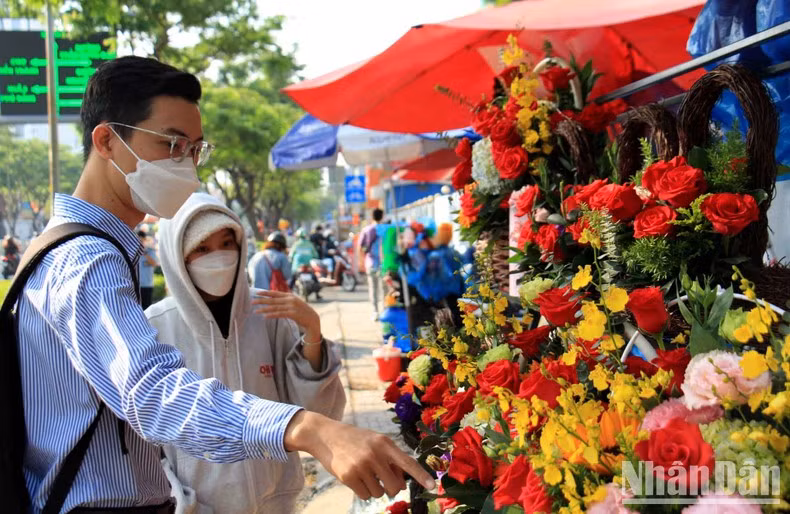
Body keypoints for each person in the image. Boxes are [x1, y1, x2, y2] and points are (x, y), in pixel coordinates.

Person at [14, 56, 433, 513]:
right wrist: (305, 428)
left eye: (194, 149)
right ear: (107, 141)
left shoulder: (84, 250)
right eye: (172, 144)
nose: (187, 166)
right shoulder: (86, 259)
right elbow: (152, 393)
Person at [146, 193, 344, 512]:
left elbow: (321, 413)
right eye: (202, 249)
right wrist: (181, 502)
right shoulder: (155, 328)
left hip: (277, 502)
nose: (220, 257)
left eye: (227, 243)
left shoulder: (269, 313)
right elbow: (144, 440)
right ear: (177, 256)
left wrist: (312, 333)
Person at [359, 208, 384, 320]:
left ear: (372, 217)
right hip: (385, 264)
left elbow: (360, 247)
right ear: (382, 216)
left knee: (373, 288)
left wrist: (360, 263)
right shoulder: (386, 229)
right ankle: (385, 310)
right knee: (384, 289)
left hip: (371, 263)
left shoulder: (367, 230)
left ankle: (375, 311)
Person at [137, 229, 158, 309]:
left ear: (144, 240)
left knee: (147, 309)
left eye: (141, 240)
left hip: (147, 285)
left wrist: (145, 253)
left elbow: (154, 264)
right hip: (136, 286)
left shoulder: (150, 251)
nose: (140, 243)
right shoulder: (133, 252)